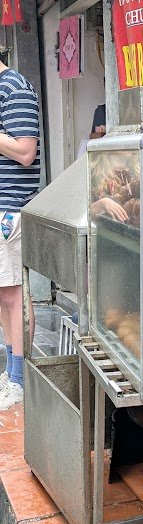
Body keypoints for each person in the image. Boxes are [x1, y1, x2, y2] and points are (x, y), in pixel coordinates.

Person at [0, 58, 40, 410]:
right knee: (3, 295)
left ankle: (19, 379)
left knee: (15, 296)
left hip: (10, 210)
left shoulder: (15, 88)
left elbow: (26, 153)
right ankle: (11, 372)